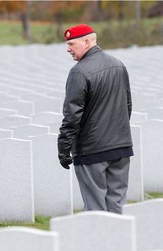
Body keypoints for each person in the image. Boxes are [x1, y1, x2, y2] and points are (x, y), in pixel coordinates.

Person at [57, 24, 133, 214]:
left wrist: (63, 148)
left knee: (95, 208)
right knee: (118, 205)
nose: (68, 49)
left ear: (87, 42)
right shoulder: (118, 64)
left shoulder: (79, 72)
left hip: (92, 150)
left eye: (71, 44)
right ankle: (121, 242)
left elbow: (72, 115)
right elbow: (127, 106)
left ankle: (99, 244)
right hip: (121, 147)